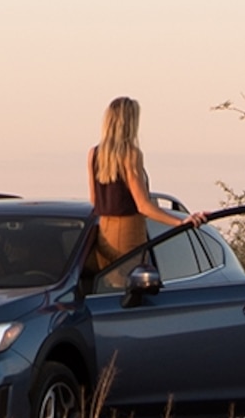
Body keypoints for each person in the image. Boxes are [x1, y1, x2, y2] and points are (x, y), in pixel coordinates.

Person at [87, 95, 204, 282]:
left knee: (109, 289)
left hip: (104, 231)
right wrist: (180, 223)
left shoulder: (94, 154)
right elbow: (143, 206)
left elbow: (94, 201)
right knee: (130, 288)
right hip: (128, 232)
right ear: (130, 122)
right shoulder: (131, 154)